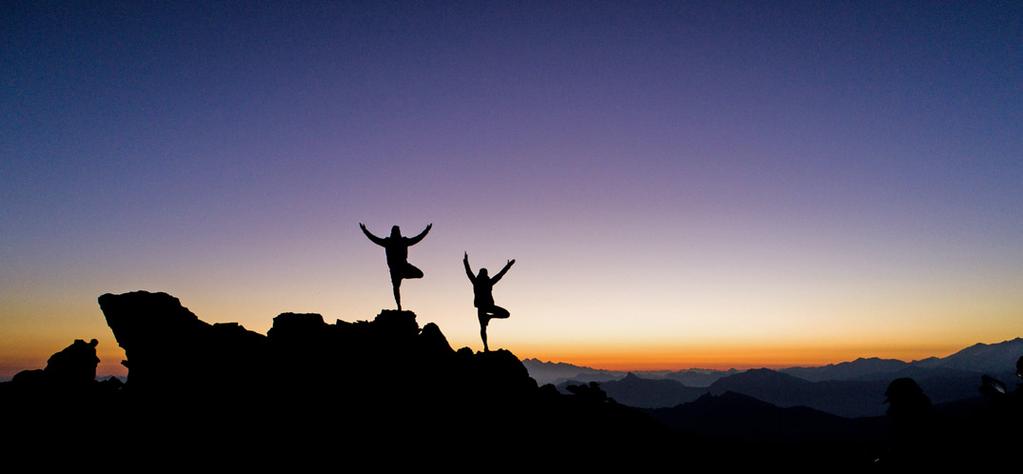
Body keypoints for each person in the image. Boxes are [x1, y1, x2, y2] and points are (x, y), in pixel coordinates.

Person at [360, 222, 432, 310]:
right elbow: (374, 239)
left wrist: (426, 231)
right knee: (396, 288)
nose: (396, 233)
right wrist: (365, 231)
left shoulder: (403, 241)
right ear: (392, 233)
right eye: (394, 231)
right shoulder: (388, 242)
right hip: (395, 270)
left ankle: (403, 275)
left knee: (420, 274)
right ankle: (399, 305)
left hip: (404, 267)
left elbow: (416, 239)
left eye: (397, 231)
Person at [463, 251, 515, 352]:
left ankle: (489, 319)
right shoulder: (487, 282)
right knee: (501, 317)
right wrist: (508, 266)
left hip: (483, 308)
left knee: (483, 328)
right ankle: (486, 347)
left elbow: (468, 272)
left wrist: (466, 261)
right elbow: (500, 274)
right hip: (486, 307)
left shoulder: (477, 282)